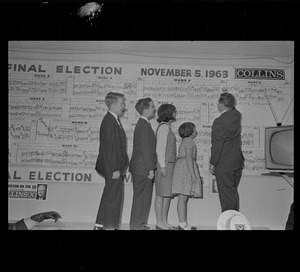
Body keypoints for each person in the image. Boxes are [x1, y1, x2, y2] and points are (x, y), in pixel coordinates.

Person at [94, 92, 129, 230]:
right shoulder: (109, 121)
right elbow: (107, 149)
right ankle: (108, 226)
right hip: (113, 169)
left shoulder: (114, 120)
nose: (124, 107)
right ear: (113, 105)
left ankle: (100, 225)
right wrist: (113, 169)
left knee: (110, 196)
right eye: (122, 104)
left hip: (116, 168)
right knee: (112, 199)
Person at [209, 92, 245, 212]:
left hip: (225, 164)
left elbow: (217, 145)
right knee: (232, 193)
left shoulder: (219, 121)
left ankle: (228, 223)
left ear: (221, 104)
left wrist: (213, 162)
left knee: (226, 197)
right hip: (237, 162)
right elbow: (233, 110)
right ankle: (234, 221)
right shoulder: (237, 115)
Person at [129, 98, 157, 230]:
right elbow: (146, 150)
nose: (154, 109)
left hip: (141, 168)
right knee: (141, 198)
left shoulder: (143, 124)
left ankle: (139, 224)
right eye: (152, 107)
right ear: (145, 109)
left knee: (143, 198)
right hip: (143, 169)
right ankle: (136, 226)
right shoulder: (143, 125)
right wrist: (151, 169)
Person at [172, 122, 203, 230]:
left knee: (182, 197)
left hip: (182, 168)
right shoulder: (189, 141)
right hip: (185, 169)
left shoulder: (185, 141)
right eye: (194, 129)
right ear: (190, 131)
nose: (196, 131)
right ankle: (182, 224)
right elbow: (189, 158)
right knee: (183, 197)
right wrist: (193, 175)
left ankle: (183, 223)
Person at [154, 103, 177, 230]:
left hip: (169, 165)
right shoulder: (163, 128)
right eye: (174, 112)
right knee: (160, 194)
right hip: (164, 165)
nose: (175, 114)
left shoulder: (167, 127)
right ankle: (159, 223)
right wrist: (162, 166)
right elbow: (160, 149)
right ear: (168, 113)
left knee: (166, 194)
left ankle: (164, 222)